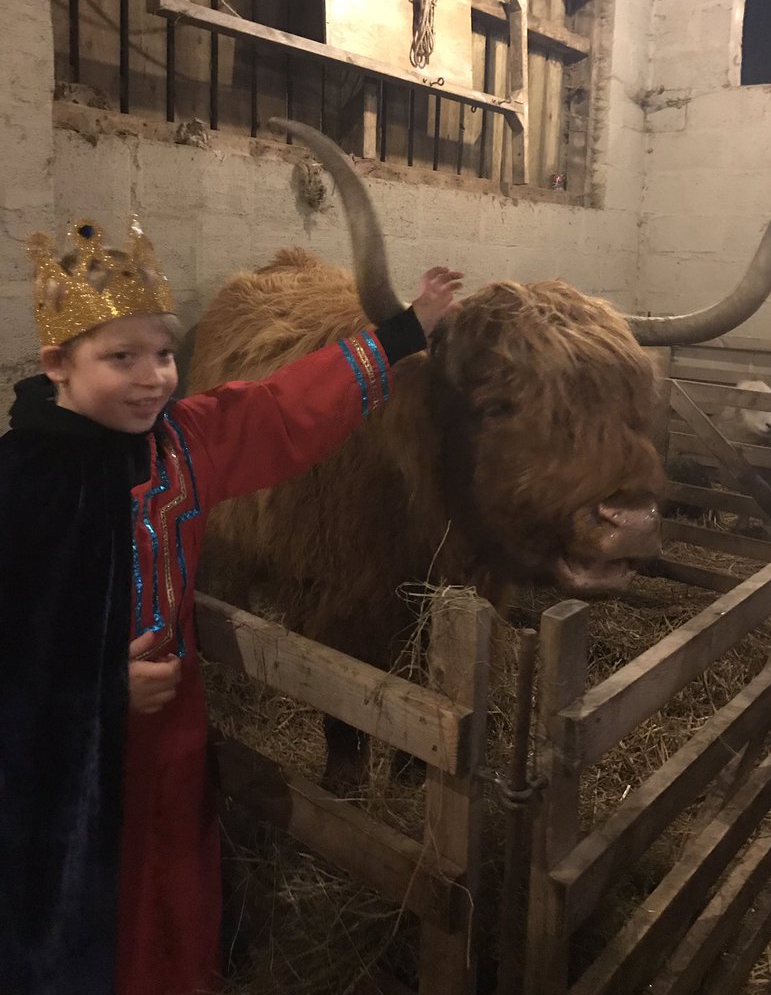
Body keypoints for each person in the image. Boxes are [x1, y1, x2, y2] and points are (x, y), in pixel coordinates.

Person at [0, 216, 463, 995]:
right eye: (121, 358)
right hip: (61, 749)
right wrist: (100, 688)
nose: (152, 377)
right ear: (56, 364)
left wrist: (402, 332)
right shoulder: (22, 484)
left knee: (175, 866)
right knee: (77, 893)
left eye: (164, 355)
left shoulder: (181, 441)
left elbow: (285, 409)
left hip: (172, 726)